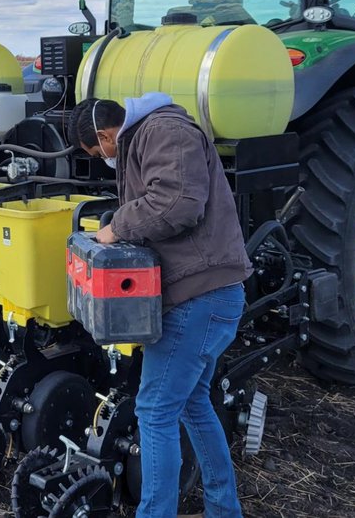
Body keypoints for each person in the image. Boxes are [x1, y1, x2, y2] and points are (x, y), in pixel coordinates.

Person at [68, 93, 251, 518]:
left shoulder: (164, 132)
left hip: (199, 296)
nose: (102, 159)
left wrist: (117, 228)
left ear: (105, 134)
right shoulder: (146, 137)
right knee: (192, 403)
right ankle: (224, 509)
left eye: (98, 152)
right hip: (202, 293)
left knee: (154, 410)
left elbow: (176, 204)